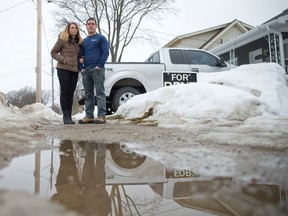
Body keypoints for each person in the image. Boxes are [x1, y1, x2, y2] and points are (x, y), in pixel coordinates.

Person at [78, 17, 109, 124]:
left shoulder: (101, 38)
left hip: (97, 70)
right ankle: (89, 116)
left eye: (92, 24)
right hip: (86, 70)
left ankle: (101, 116)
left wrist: (99, 66)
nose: (90, 25)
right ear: (86, 26)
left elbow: (105, 52)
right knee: (88, 94)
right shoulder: (84, 41)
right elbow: (80, 56)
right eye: (89, 24)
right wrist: (82, 68)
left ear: (95, 26)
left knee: (100, 93)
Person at [51, 22, 83, 124]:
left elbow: (79, 56)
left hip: (74, 70)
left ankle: (69, 115)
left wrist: (82, 59)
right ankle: (65, 116)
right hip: (63, 69)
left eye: (76, 28)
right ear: (68, 29)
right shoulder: (62, 40)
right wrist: (62, 59)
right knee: (65, 92)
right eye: (72, 28)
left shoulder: (79, 42)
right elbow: (53, 52)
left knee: (71, 93)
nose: (74, 29)